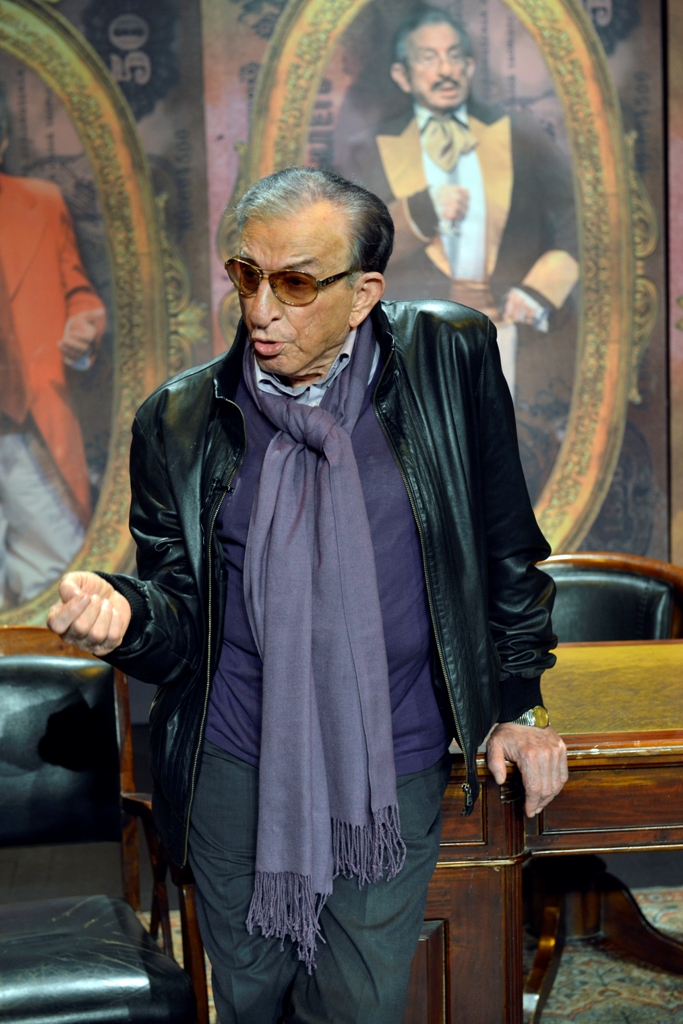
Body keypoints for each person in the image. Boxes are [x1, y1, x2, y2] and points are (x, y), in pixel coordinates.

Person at [48, 167, 567, 1024]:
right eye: (246, 275)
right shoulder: (177, 420)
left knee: (356, 1004)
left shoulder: (449, 357)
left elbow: (505, 547)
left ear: (363, 294)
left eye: (294, 283)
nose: (260, 310)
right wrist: (128, 620)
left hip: (389, 757)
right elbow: (180, 621)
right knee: (249, 1001)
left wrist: (521, 706)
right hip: (235, 761)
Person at [344, 6, 579, 394]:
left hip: (508, 331)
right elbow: (353, 247)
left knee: (502, 429)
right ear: (402, 75)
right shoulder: (369, 149)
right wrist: (421, 212)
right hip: (413, 342)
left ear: (469, 68)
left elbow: (577, 215)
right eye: (428, 58)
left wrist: (540, 290)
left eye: (455, 56)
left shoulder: (519, 136)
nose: (445, 70)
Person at [0, 90, 106, 608]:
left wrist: (84, 325)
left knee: (55, 583)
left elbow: (76, 291)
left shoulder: (41, 203)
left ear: (2, 141)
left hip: (27, 428)